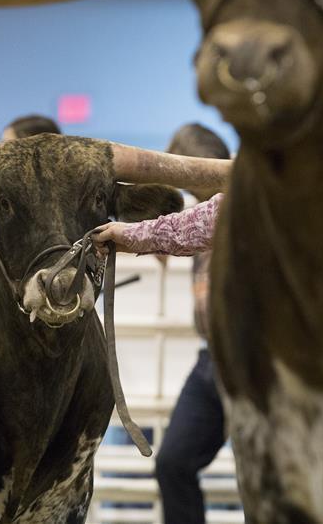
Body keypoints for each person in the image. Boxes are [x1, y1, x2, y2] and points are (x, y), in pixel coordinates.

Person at [95, 123, 229, 524]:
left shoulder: (248, 197)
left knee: (266, 472)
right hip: (213, 360)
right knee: (173, 462)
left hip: (254, 361)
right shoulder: (220, 208)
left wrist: (143, 234)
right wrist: (148, 232)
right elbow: (197, 223)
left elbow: (203, 221)